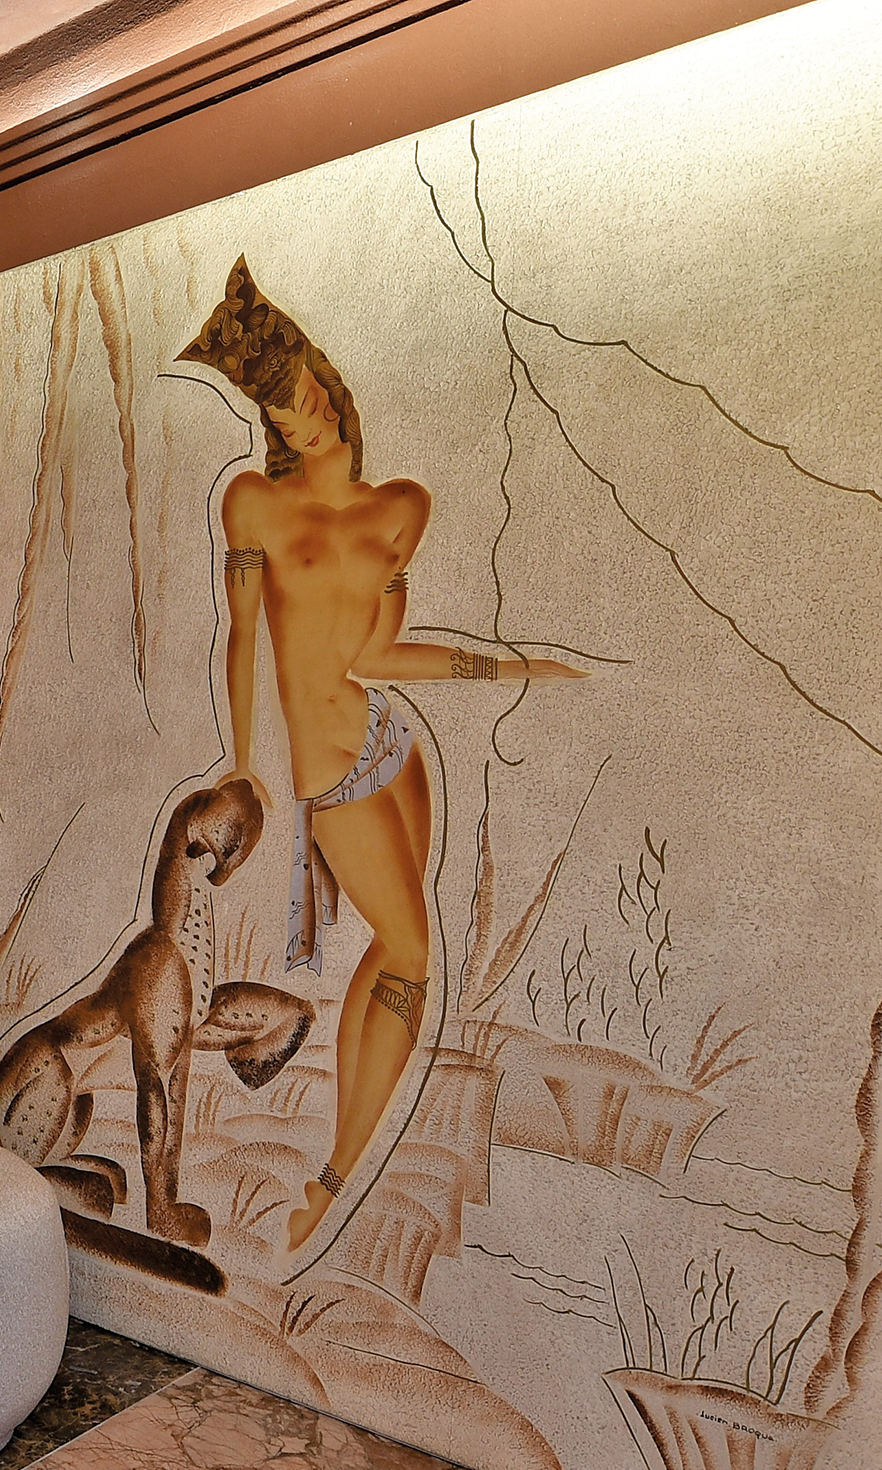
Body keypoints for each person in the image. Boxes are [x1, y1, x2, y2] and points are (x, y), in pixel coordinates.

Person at [181, 257, 585, 1251]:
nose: (308, 418)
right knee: (409, 952)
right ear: (270, 425)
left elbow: (376, 655)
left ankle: (337, 1170)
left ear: (328, 384)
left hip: (389, 741)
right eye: (287, 411)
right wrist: (240, 758)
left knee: (399, 949)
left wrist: (508, 667)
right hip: (327, 768)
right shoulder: (252, 505)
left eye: (313, 395)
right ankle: (335, 1180)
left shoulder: (399, 505)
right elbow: (242, 635)